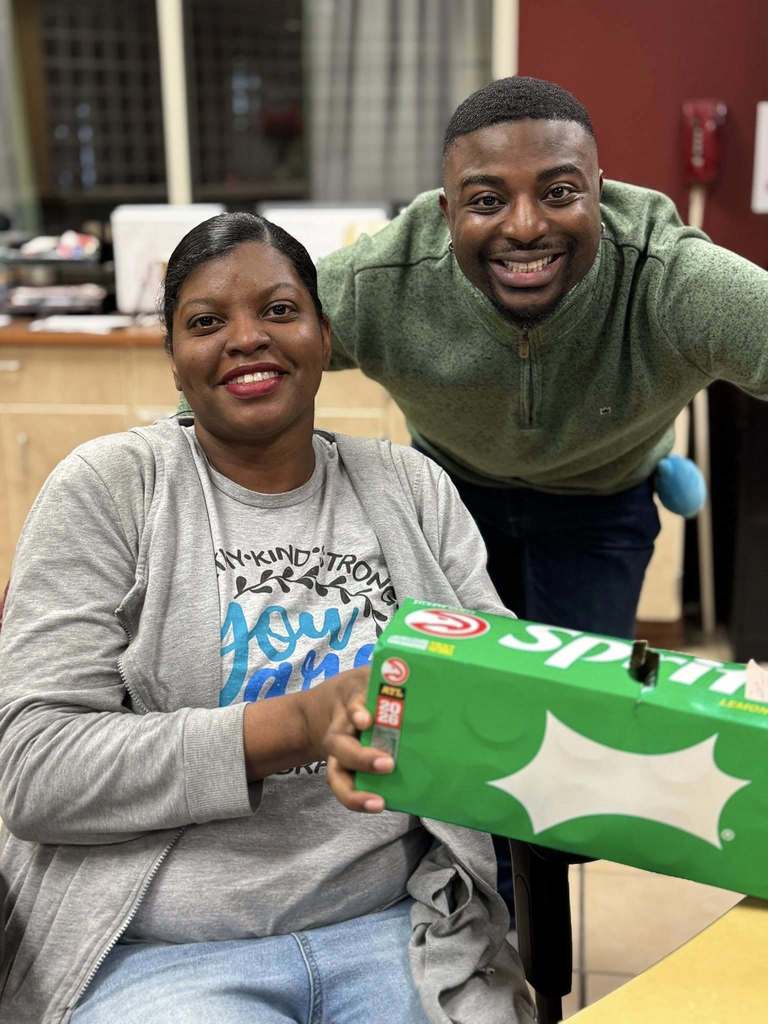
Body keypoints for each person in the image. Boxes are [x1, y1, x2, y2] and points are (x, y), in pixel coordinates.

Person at [0, 213, 534, 1024]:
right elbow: (37, 771)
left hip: (399, 933)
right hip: (162, 954)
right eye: (207, 322)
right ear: (175, 360)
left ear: (324, 337)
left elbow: (498, 697)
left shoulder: (410, 489)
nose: (247, 339)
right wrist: (292, 725)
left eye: (280, 311)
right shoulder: (110, 489)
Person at [318, 75, 768, 640]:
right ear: (445, 211)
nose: (525, 227)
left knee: (577, 699)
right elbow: (253, 333)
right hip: (451, 493)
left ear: (597, 194)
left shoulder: (667, 278)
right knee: (461, 684)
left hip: (602, 501)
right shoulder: (382, 279)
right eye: (487, 201)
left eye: (559, 193)